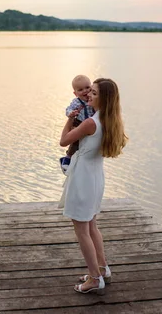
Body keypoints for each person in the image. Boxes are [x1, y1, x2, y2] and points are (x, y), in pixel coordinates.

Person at [58, 78, 128, 294]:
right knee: (91, 225)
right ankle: (102, 268)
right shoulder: (110, 120)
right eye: (90, 92)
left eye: (94, 93)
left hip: (83, 179)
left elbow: (63, 141)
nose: (88, 95)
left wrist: (69, 120)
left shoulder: (90, 123)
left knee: (82, 230)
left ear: (104, 99)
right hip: (96, 177)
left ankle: (95, 279)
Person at [60, 75, 95, 174]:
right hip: (79, 122)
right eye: (80, 90)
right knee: (75, 142)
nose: (85, 91)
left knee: (85, 142)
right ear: (75, 93)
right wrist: (71, 114)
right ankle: (68, 157)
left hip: (90, 123)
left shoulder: (93, 99)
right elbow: (68, 109)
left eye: (87, 87)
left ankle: (80, 157)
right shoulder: (77, 102)